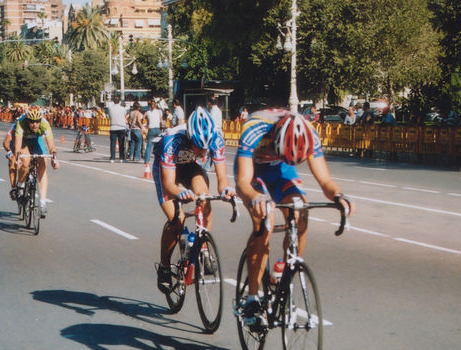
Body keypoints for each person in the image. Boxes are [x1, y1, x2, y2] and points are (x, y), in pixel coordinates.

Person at [234, 109, 353, 326]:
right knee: (264, 222)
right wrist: (255, 198)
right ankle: (252, 298)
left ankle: (284, 267)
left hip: (281, 169)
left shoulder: (310, 135)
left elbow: (325, 181)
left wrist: (338, 195)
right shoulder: (255, 130)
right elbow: (242, 182)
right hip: (254, 169)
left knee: (300, 210)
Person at [153, 106, 235, 293]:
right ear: (189, 138)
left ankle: (204, 249)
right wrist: (180, 192)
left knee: (204, 197)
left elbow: (222, 179)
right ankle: (165, 268)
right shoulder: (171, 141)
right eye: (198, 147)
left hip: (189, 167)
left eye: (205, 148)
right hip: (166, 171)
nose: (203, 152)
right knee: (177, 219)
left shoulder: (216, 139)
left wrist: (226, 190)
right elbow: (169, 185)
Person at [13, 105, 59, 217]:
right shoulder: (21, 123)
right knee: (25, 161)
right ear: (28, 120)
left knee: (43, 164)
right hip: (24, 140)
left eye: (37, 121)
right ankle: (21, 185)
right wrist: (17, 158)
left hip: (37, 140)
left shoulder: (45, 124)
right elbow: (17, 146)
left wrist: (54, 158)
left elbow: (51, 145)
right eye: (32, 122)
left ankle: (42, 204)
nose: (35, 124)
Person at [107, 95, 128, 163]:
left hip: (113, 127)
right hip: (121, 127)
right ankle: (121, 157)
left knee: (113, 143)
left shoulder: (110, 108)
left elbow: (109, 116)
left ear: (113, 101)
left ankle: (112, 158)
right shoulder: (123, 109)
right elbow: (125, 115)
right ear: (119, 101)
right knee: (121, 143)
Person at [3, 120, 20, 199]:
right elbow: (5, 142)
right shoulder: (13, 128)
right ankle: (13, 187)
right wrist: (9, 152)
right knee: (12, 162)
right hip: (13, 148)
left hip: (24, 147)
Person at [143, 100, 163, 165]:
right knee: (159, 145)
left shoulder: (148, 112)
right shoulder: (159, 111)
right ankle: (160, 159)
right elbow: (161, 120)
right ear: (156, 105)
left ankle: (146, 160)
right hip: (158, 129)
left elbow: (145, 120)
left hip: (151, 129)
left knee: (149, 146)